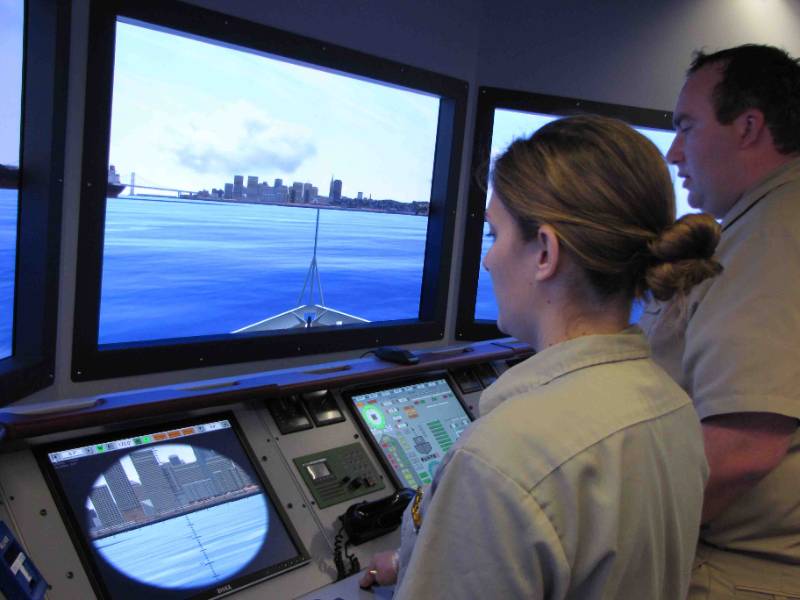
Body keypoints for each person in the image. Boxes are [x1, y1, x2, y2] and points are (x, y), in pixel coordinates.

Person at [360, 115, 723, 598]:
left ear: (545, 253)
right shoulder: (672, 407)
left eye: (494, 235)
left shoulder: (501, 459)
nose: (488, 259)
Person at [639, 44, 800, 598]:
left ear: (748, 127)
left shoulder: (772, 238)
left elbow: (739, 451)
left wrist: (591, 537)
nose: (673, 152)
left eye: (686, 126)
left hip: (738, 572)